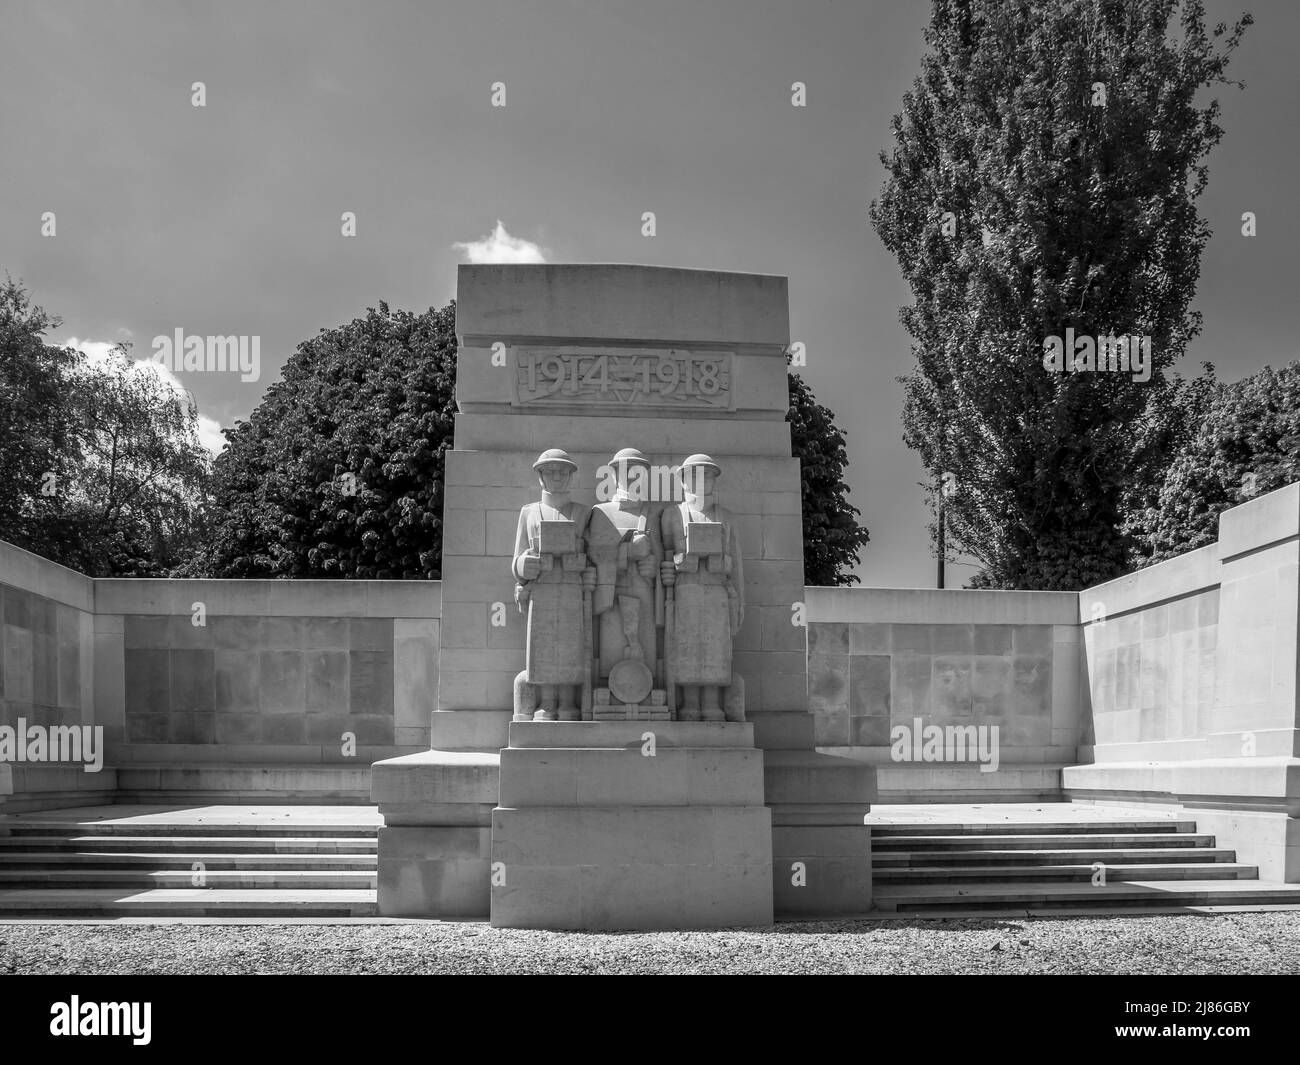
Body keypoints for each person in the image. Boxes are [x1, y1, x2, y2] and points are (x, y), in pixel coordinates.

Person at [660, 453, 744, 721]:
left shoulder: (726, 517)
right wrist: (677, 562)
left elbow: (738, 564)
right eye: (695, 474)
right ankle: (690, 704)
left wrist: (739, 601)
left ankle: (712, 704)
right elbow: (665, 555)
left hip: (717, 591)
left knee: (715, 649)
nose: (701, 480)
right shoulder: (672, 514)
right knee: (688, 649)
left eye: (707, 474)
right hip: (686, 591)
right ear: (683, 480)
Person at [511, 449, 590, 721]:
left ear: (570, 476)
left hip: (570, 589)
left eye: (562, 471)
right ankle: (545, 703)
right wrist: (524, 565)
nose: (557, 477)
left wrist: (581, 562)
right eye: (550, 471)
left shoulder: (582, 513)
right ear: (541, 476)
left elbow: (593, 556)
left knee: (569, 646)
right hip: (542, 590)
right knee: (542, 648)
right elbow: (517, 557)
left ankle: (568, 703)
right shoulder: (529, 512)